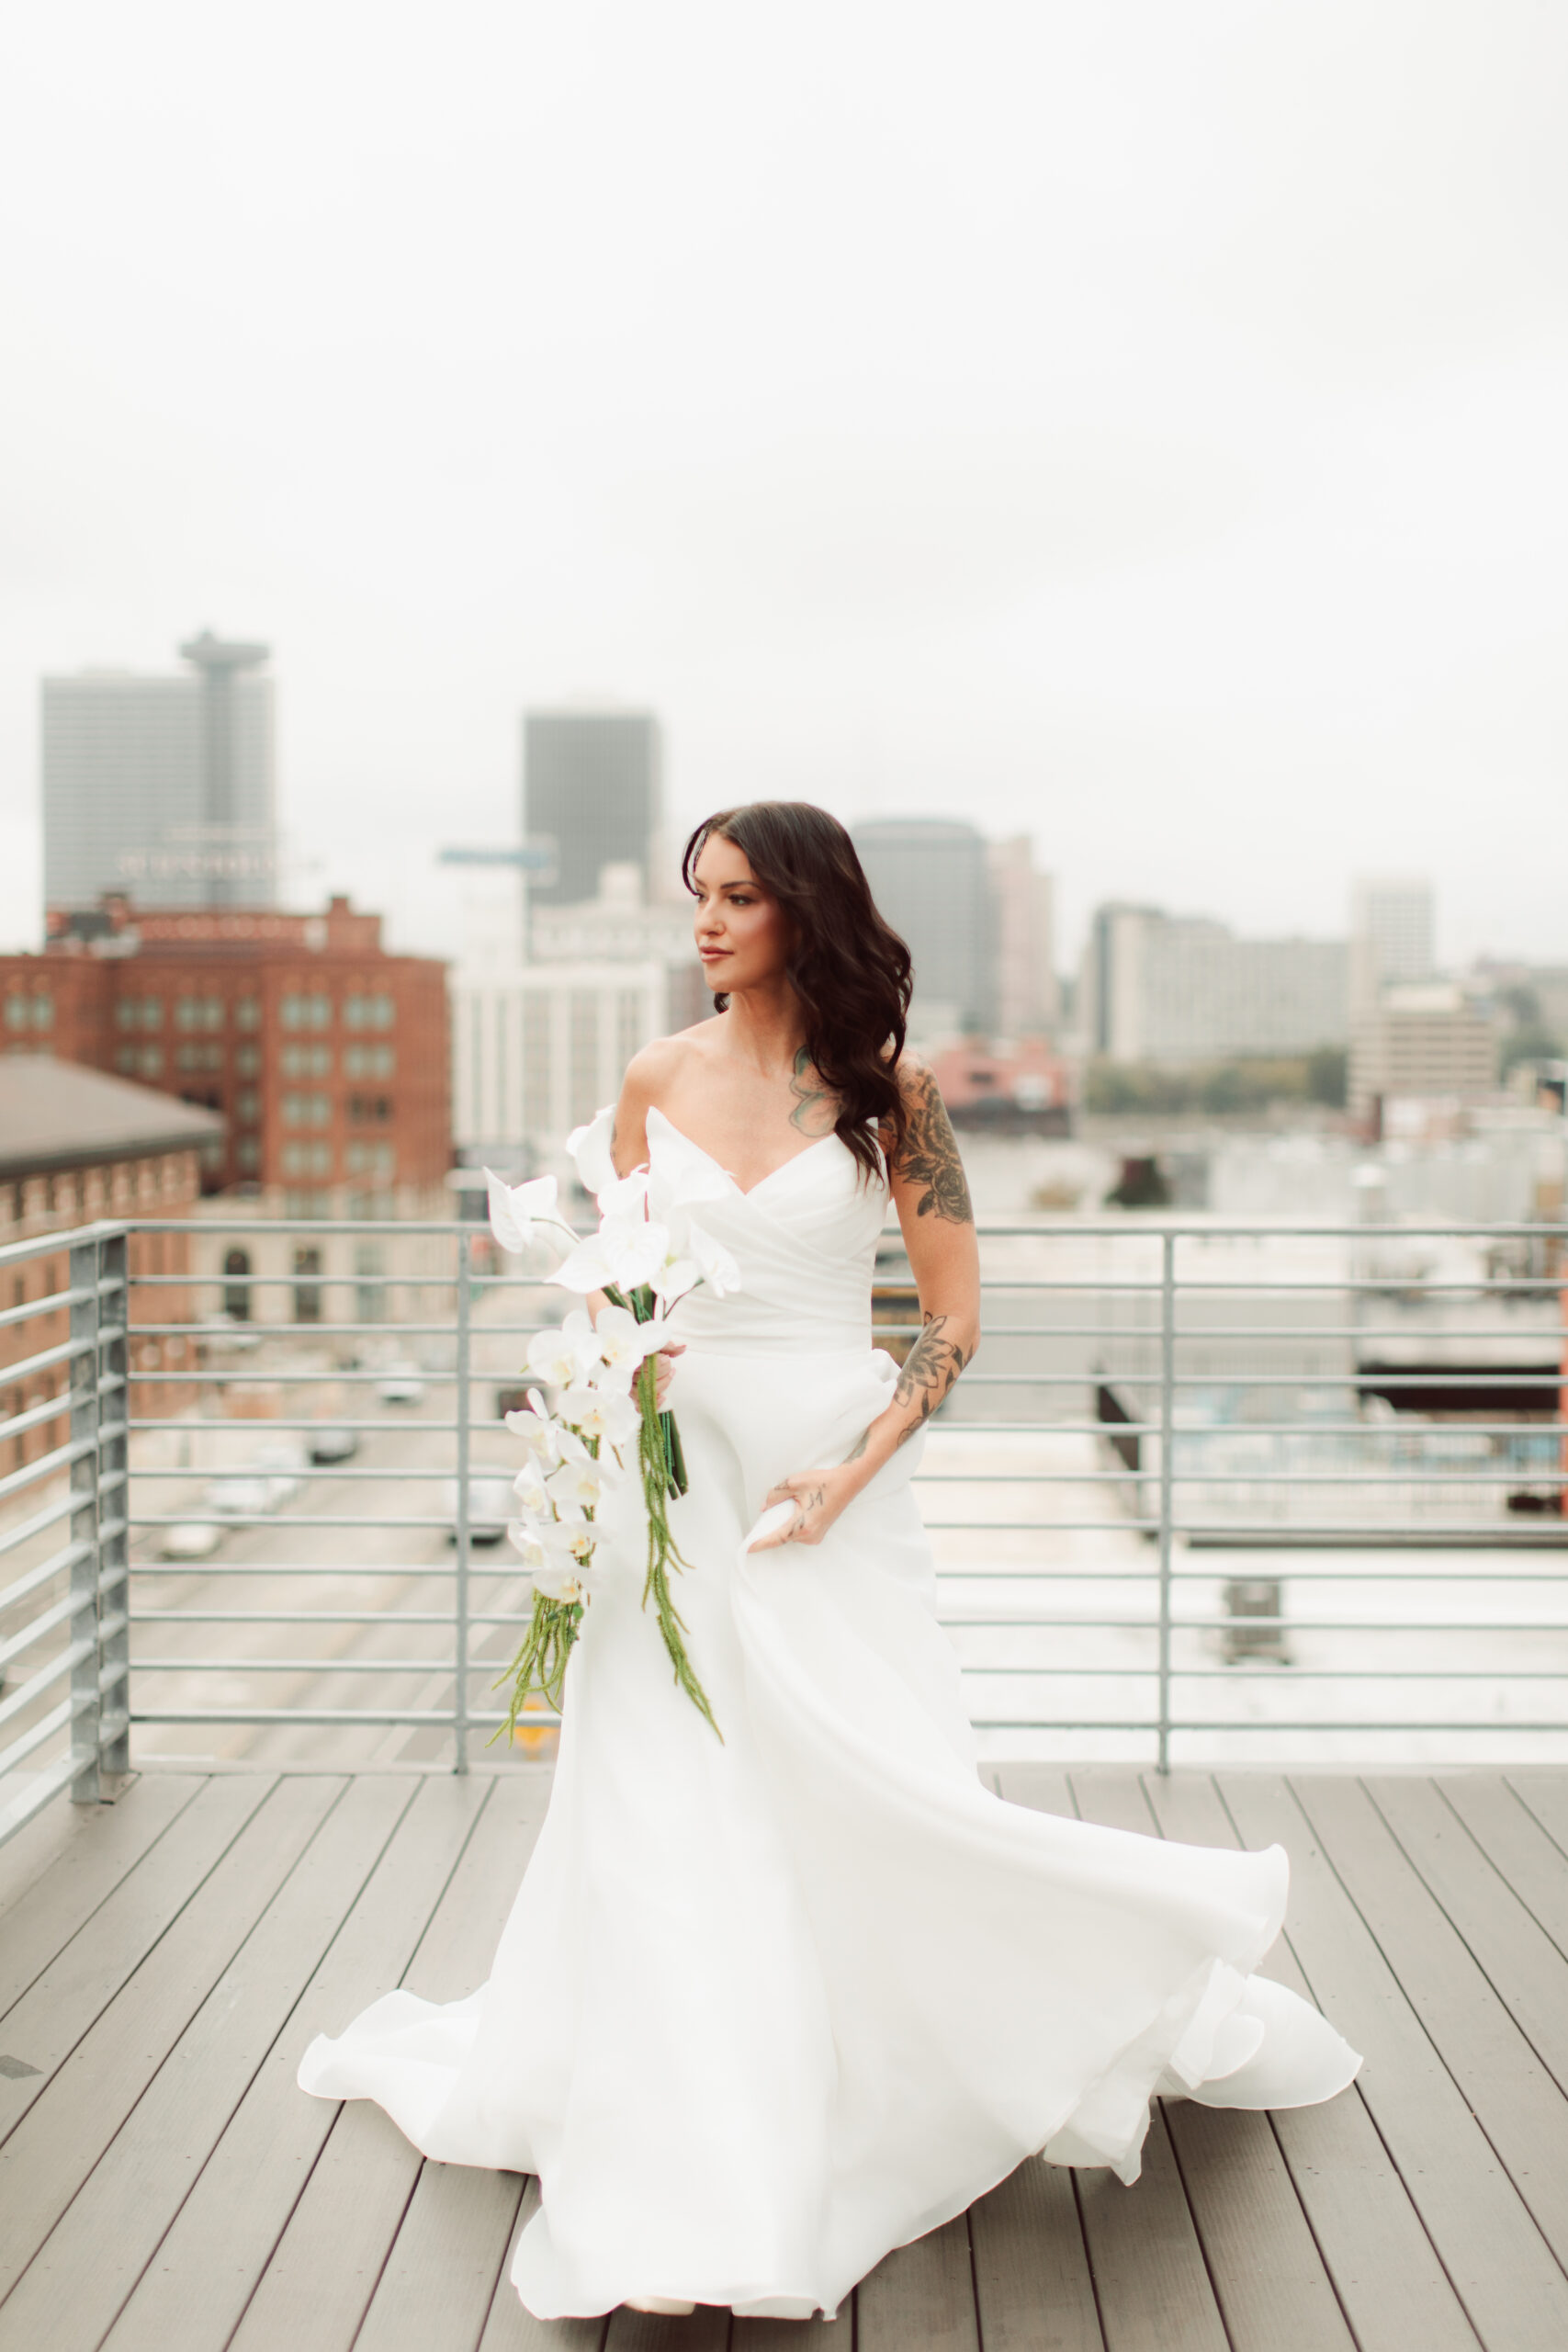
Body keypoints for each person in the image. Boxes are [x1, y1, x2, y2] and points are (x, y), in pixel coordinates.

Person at [299, 801, 1359, 2324]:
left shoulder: (897, 1101)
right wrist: (601, 1443)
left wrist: (856, 1471)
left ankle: (914, 2050)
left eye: (737, 898)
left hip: (826, 1487)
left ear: (808, 910)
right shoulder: (655, 1075)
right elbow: (621, 1288)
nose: (707, 924)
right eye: (697, 899)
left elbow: (953, 1319)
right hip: (670, 1489)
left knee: (870, 1785)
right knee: (667, 1806)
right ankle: (699, 2128)